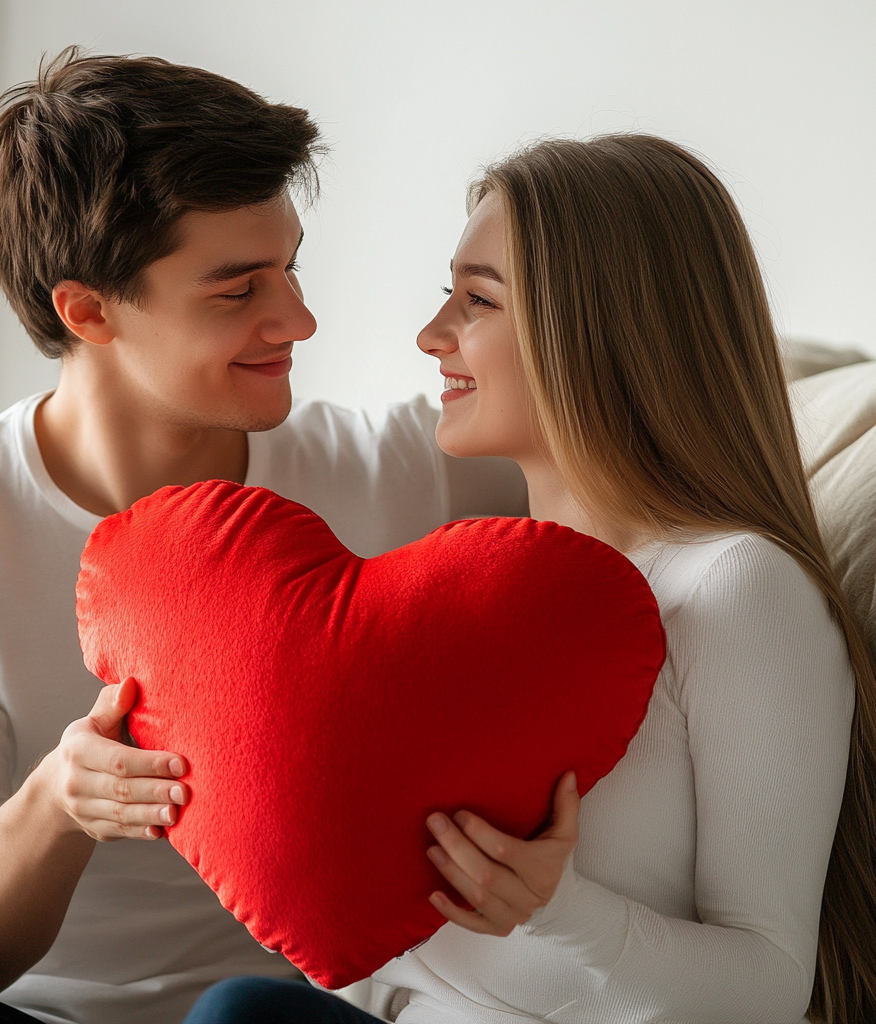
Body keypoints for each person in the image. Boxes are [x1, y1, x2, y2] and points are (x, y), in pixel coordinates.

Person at [0, 49, 526, 1024]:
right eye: (237, 289)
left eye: (289, 268)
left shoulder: (403, 472)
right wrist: (61, 803)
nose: (298, 317)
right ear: (85, 310)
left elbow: (644, 486)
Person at [185, 135, 876, 1024]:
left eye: (476, 300)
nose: (432, 336)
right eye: (448, 296)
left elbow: (769, 988)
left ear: (595, 327)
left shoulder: (736, 589)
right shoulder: (473, 577)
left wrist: (561, 914)